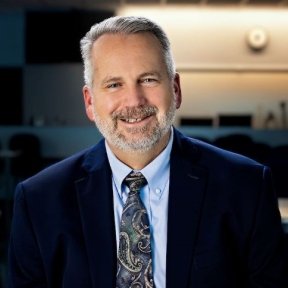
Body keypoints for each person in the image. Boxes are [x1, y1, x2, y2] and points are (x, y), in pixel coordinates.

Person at [8, 15, 287, 288]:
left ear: (175, 89)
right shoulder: (39, 201)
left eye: (149, 79)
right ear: (90, 102)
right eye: (114, 84)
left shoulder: (247, 187)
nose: (134, 100)